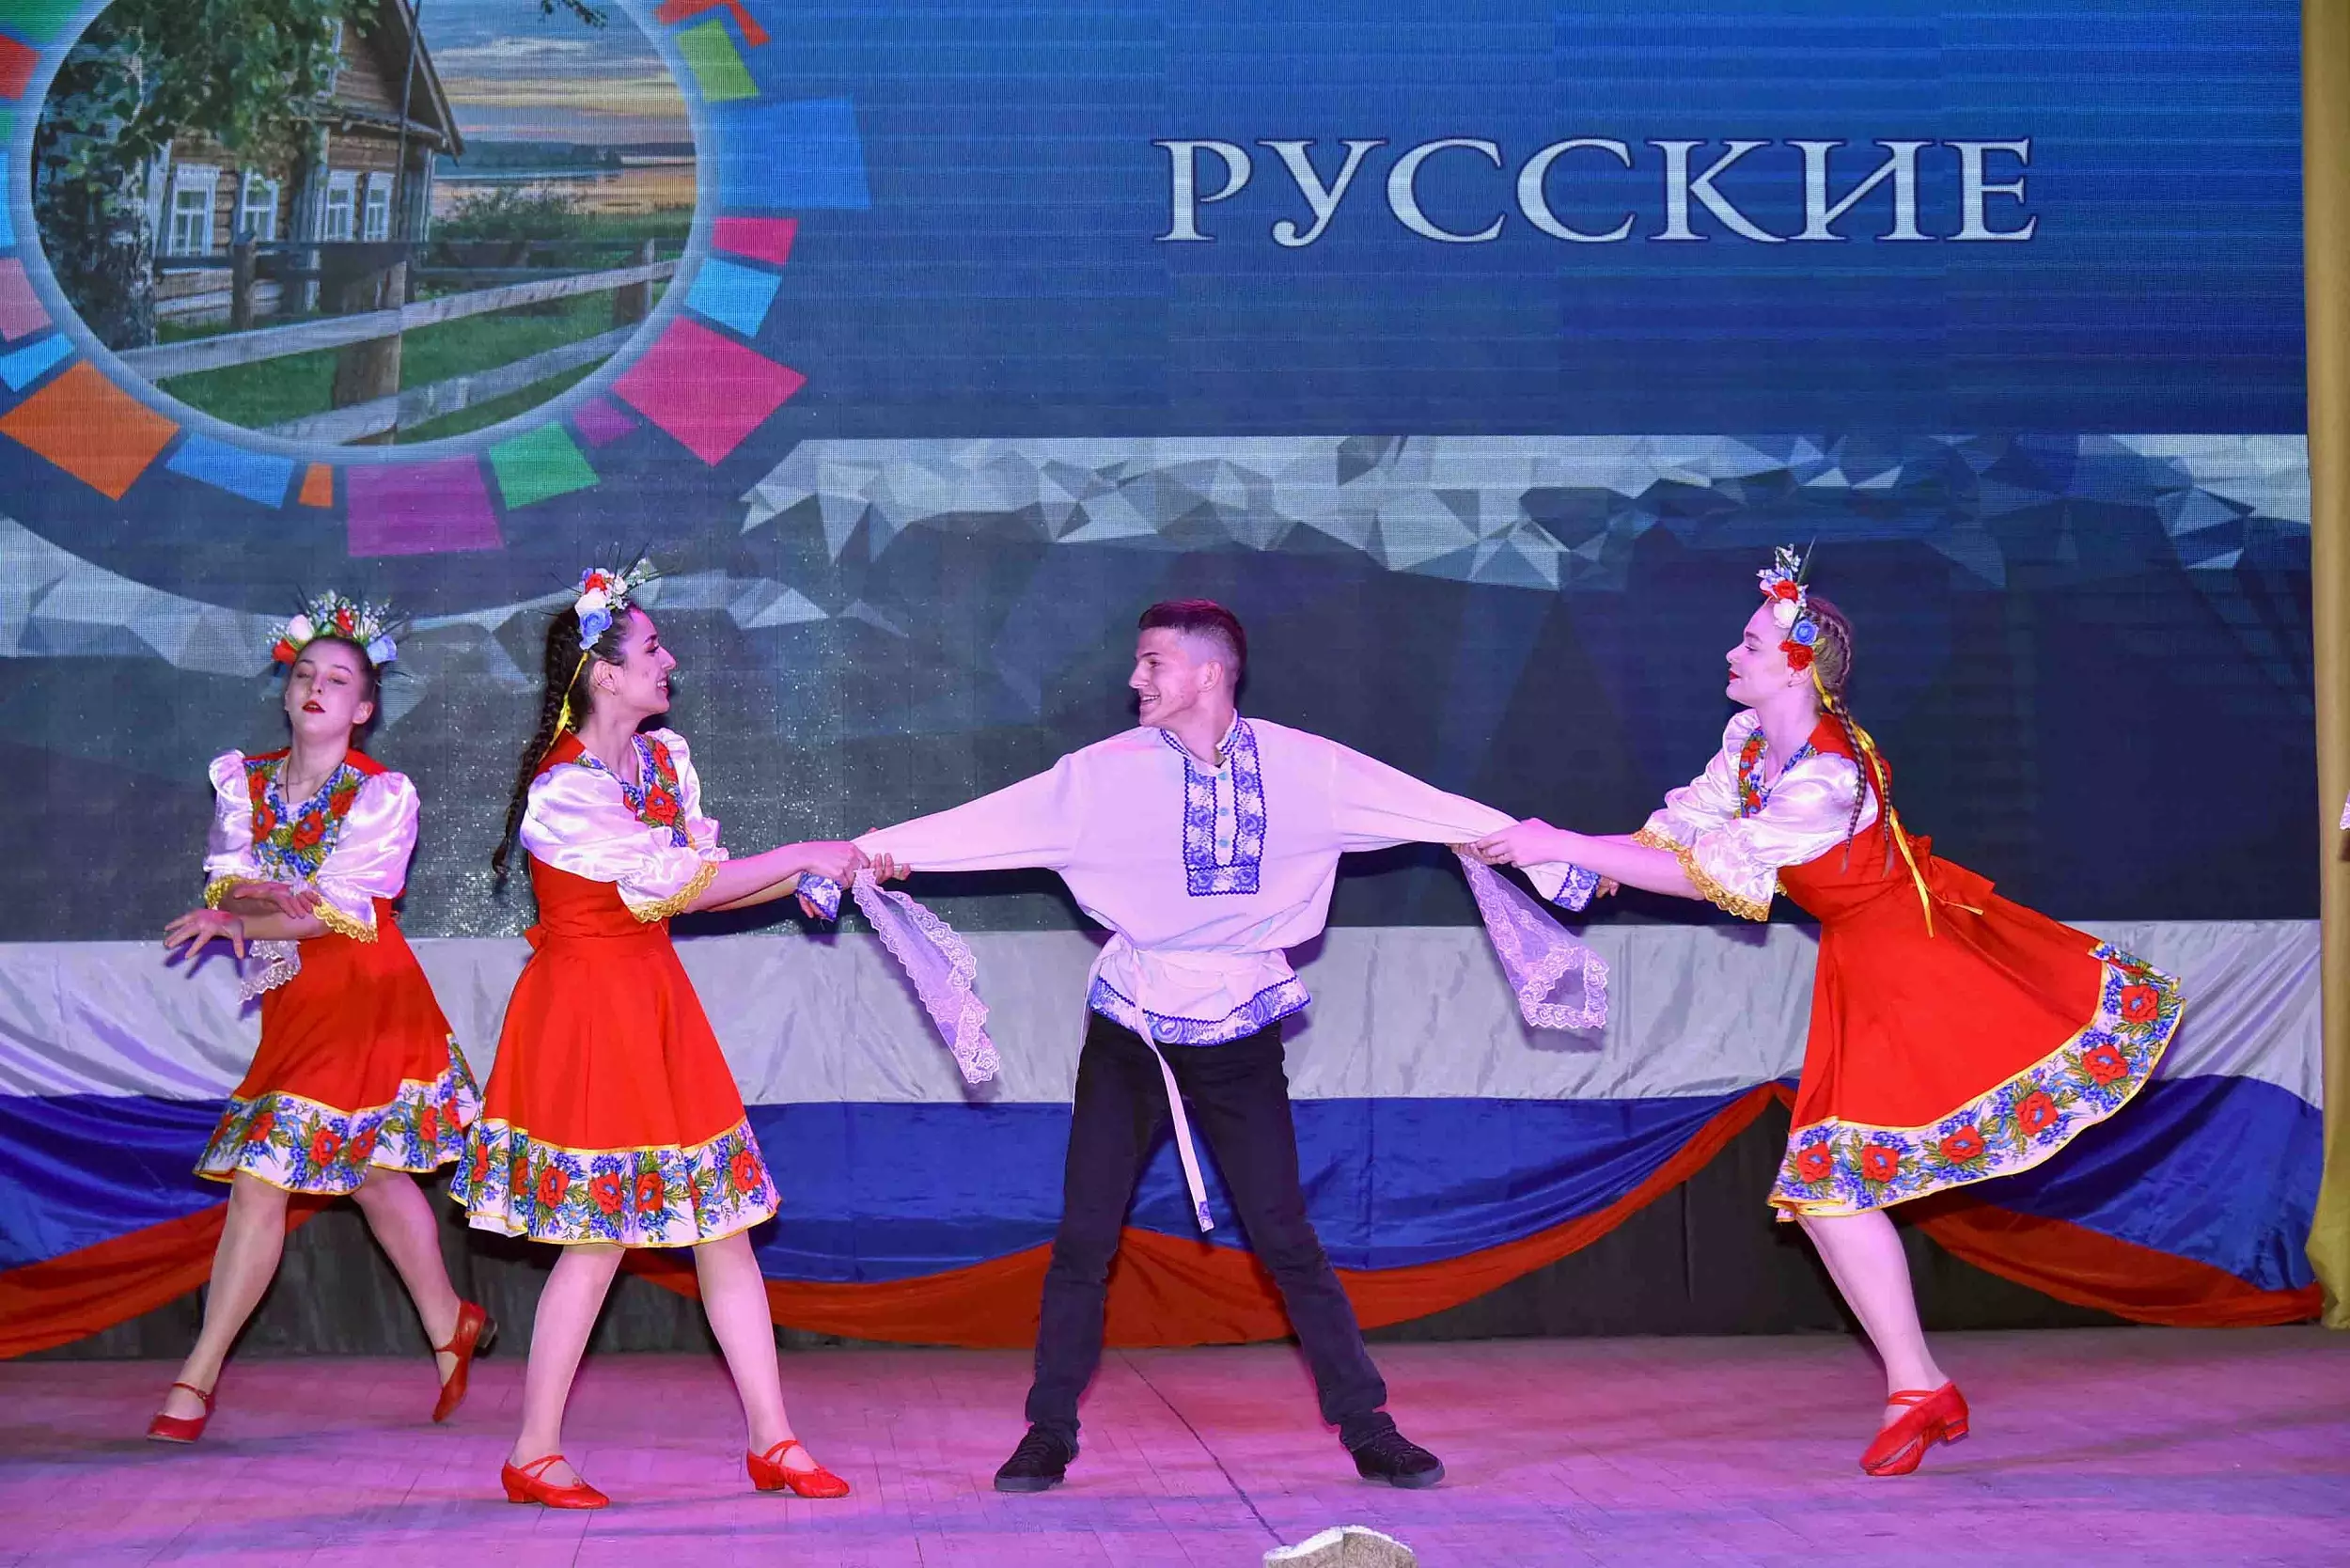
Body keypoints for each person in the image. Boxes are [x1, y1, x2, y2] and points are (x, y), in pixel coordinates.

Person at [850, 600, 1606, 1493]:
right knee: (1085, 1235)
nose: (1135, 679)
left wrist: (1552, 854)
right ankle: (1047, 1431)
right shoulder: (1101, 776)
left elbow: (1431, 811)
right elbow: (993, 821)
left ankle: (1369, 1427)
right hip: (1131, 1026)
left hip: (1241, 1026)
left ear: (1209, 673)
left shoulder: (1308, 769)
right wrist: (869, 853)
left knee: (1286, 1235)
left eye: (1153, 662)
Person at [1473, 548, 2186, 1476]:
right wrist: (1555, 848)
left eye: (1750, 643)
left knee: (1830, 1186)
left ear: (1798, 665)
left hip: (1918, 963)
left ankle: (1917, 1384)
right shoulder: (1751, 746)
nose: (1732, 653)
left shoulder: (1827, 779)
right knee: (1825, 1193)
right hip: (1869, 967)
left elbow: (1714, 877)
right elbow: (1681, 836)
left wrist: (1564, 843)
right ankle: (1917, 1385)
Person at [453, 560, 865, 1510]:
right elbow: (669, 887)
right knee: (598, 1237)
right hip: (590, 1015)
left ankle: (774, 1440)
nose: (668, 659)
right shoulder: (566, 791)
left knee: (723, 1226)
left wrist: (818, 870)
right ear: (605, 674)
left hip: (654, 1002)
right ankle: (533, 1452)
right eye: (651, 647)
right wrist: (804, 853)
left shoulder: (663, 762)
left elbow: (699, 882)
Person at [153, 597, 487, 1442]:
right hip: (298, 1002)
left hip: (366, 996)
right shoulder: (244, 781)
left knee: (263, 1174)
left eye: (339, 680)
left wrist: (244, 912)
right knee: (370, 1168)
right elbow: (229, 879)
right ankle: (449, 1321)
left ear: (363, 708)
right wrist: (247, 899)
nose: (316, 687)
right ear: (286, 688)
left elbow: (336, 913)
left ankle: (195, 1379)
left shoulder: (381, 794)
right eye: (305, 673)